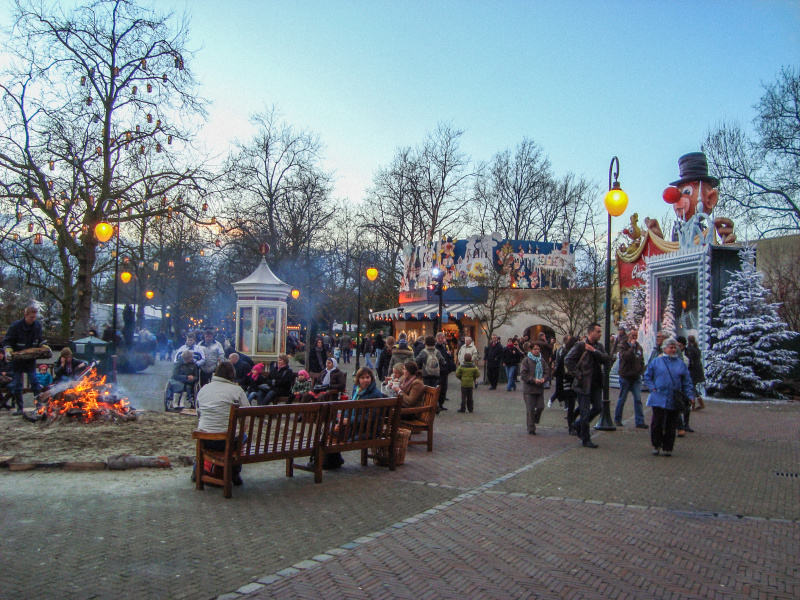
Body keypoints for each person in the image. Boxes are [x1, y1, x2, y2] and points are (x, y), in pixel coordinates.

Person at [193, 361, 250, 486]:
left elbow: (199, 415)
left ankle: (198, 469)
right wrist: (242, 431)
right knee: (242, 437)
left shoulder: (204, 389)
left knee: (208, 436)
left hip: (205, 438)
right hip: (227, 441)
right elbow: (247, 416)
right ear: (232, 375)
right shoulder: (237, 390)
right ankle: (234, 472)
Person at [643, 337, 695, 457]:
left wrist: (690, 395)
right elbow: (647, 376)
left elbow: (687, 382)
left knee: (671, 424)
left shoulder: (681, 364)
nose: (673, 350)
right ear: (664, 349)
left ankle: (668, 447)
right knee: (657, 422)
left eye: (674, 347)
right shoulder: (656, 362)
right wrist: (652, 388)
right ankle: (656, 445)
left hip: (673, 398)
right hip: (658, 397)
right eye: (670, 347)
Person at [565, 322, 610, 449]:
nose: (600, 334)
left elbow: (606, 359)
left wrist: (594, 351)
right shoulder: (580, 346)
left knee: (598, 407)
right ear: (591, 332)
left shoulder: (598, 346)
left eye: (600, 331)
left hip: (596, 383)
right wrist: (578, 374)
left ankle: (577, 424)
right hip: (583, 383)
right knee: (584, 411)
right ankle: (586, 438)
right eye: (598, 331)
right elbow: (568, 359)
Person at [2, 306, 45, 415]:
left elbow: (40, 340)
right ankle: (19, 408)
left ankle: (39, 406)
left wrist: (44, 347)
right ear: (25, 315)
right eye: (31, 317)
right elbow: (6, 341)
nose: (33, 319)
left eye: (34, 317)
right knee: (17, 385)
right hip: (17, 361)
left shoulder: (37, 326)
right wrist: (8, 350)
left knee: (35, 383)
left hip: (30, 360)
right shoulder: (15, 326)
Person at [614, 329, 648, 429]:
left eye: (636, 335)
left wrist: (640, 371)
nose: (634, 337)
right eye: (633, 335)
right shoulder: (623, 346)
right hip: (625, 377)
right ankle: (617, 419)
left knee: (638, 399)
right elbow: (625, 357)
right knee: (622, 399)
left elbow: (641, 360)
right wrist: (632, 347)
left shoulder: (639, 347)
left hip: (636, 377)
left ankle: (640, 421)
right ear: (629, 335)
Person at [520, 342, 552, 434]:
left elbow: (547, 371)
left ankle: (534, 420)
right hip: (529, 389)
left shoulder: (541, 360)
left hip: (539, 389)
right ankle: (531, 428)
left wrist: (544, 379)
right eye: (535, 349)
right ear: (530, 350)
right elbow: (523, 375)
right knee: (530, 410)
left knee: (540, 407)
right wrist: (533, 380)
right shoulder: (526, 361)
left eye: (538, 349)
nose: (537, 351)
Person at [552, 335, 578, 433]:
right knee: (571, 403)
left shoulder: (562, 351)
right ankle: (571, 425)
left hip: (568, 380)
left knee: (573, 403)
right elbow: (562, 366)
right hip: (568, 380)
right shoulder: (565, 352)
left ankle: (572, 422)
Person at [435, 332, 455, 411]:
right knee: (438, 388)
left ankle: (441, 404)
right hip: (438, 371)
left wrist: (450, 355)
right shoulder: (435, 348)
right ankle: (436, 404)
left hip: (445, 371)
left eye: (442, 338)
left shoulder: (445, 347)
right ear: (436, 339)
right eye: (439, 338)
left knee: (444, 388)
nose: (440, 340)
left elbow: (447, 358)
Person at [686, 335, 706, 411]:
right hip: (698, 370)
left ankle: (695, 404)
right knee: (693, 387)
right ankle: (698, 403)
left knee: (692, 387)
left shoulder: (690, 349)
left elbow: (690, 360)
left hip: (693, 371)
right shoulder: (696, 348)